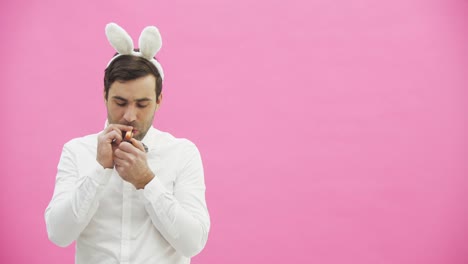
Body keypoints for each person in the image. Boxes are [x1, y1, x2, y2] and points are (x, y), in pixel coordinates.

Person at [45, 23, 210, 264]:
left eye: (142, 104)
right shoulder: (76, 151)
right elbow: (58, 235)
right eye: (120, 102)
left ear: (159, 100)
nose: (130, 115)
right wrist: (99, 171)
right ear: (104, 96)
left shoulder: (183, 153)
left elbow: (193, 243)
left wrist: (147, 181)